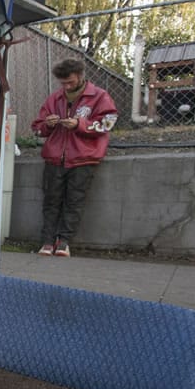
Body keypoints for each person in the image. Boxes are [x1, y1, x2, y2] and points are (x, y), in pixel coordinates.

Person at [31, 57, 118, 257]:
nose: (66, 86)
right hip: (55, 158)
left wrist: (80, 125)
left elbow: (108, 123)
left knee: (74, 201)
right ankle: (46, 241)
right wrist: (48, 124)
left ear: (79, 76)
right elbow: (37, 128)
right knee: (51, 200)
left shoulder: (99, 96)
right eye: (63, 83)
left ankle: (64, 242)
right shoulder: (54, 99)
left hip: (83, 158)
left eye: (70, 82)